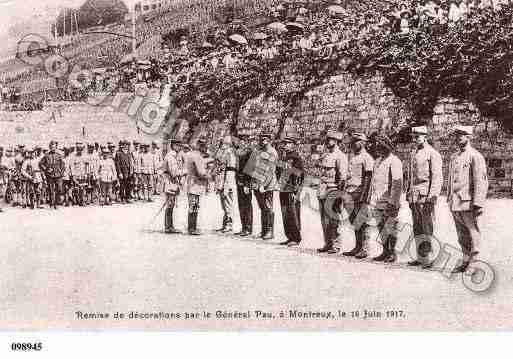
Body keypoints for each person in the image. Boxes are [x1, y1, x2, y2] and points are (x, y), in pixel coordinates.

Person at [447, 125, 488, 273]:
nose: (458, 138)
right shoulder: (454, 157)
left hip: (468, 202)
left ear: (468, 137)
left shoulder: (475, 156)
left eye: (461, 135)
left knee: (473, 231)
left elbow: (481, 181)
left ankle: (474, 262)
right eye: (456, 135)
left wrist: (478, 203)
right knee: (461, 233)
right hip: (456, 202)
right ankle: (465, 259)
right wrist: (449, 198)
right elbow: (451, 179)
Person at [406, 126, 443, 269]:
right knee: (417, 227)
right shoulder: (414, 153)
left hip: (425, 196)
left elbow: (437, 178)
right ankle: (421, 257)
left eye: (418, 136)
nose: (416, 139)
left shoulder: (433, 154)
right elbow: (410, 177)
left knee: (427, 227)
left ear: (425, 136)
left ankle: (430, 257)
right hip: (414, 196)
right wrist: (408, 194)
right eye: (414, 137)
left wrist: (432, 197)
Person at [365, 135, 403, 263]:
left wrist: (393, 202)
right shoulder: (377, 161)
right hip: (377, 200)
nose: (378, 148)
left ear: (387, 147)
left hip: (389, 201)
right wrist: (370, 197)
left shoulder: (394, 161)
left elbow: (397, 184)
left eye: (381, 146)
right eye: (378, 146)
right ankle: (385, 250)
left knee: (391, 227)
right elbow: (373, 182)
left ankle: (392, 252)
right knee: (381, 227)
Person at [342, 133, 374, 259]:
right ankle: (357, 246)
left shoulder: (367, 158)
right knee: (354, 221)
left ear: (362, 142)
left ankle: (365, 248)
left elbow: (368, 178)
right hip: (350, 192)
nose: (352, 144)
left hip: (360, 193)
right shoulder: (353, 157)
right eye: (352, 142)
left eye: (355, 142)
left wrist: (364, 195)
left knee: (363, 222)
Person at [317, 131, 348, 254]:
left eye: (330, 139)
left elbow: (343, 178)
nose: (327, 141)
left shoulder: (341, 156)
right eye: (327, 139)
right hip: (323, 189)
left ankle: (336, 245)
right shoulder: (325, 155)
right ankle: (328, 243)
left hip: (333, 190)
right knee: (324, 219)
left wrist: (340, 195)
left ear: (336, 141)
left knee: (333, 219)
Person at [277, 136, 304, 247]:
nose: (285, 145)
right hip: (283, 188)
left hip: (291, 189)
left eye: (288, 143)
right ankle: (289, 236)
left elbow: (299, 175)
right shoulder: (283, 157)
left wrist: (296, 191)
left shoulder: (296, 158)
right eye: (284, 143)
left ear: (293, 145)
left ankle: (296, 238)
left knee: (293, 213)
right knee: (285, 213)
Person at [252, 132, 279, 240]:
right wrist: (254, 182)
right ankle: (263, 231)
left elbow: (271, 171)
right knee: (262, 207)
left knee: (268, 207)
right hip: (258, 182)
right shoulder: (259, 151)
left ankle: (270, 231)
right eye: (262, 138)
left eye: (266, 138)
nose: (263, 140)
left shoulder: (272, 152)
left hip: (267, 184)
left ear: (270, 140)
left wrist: (264, 185)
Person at [185, 137, 213, 235]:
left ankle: (192, 227)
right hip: (194, 185)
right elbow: (201, 173)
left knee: (194, 206)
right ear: (201, 146)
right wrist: (210, 175)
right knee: (193, 206)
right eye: (204, 146)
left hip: (192, 184)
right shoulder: (197, 157)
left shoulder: (192, 155)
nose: (206, 149)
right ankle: (192, 228)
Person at [160, 138, 187, 234]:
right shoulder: (171, 156)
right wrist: (185, 172)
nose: (180, 147)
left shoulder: (174, 155)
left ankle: (169, 226)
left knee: (171, 204)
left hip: (172, 182)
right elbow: (174, 173)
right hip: (169, 183)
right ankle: (168, 227)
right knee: (170, 204)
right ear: (174, 146)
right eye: (178, 145)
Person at [215, 135, 238, 234]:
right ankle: (225, 223)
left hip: (228, 180)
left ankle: (229, 224)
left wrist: (226, 186)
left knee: (228, 202)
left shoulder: (230, 153)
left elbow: (230, 169)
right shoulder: (224, 152)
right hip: (222, 180)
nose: (222, 145)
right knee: (224, 203)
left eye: (224, 143)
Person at [235, 135, 254, 237]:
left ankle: (248, 228)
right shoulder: (238, 152)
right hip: (239, 181)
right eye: (240, 141)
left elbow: (250, 169)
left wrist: (247, 184)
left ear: (247, 142)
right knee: (241, 204)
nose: (241, 143)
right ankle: (244, 227)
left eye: (243, 141)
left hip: (246, 181)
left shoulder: (249, 153)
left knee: (247, 204)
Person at [39, 141, 65, 209]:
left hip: (58, 175)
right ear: (49, 147)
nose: (53, 148)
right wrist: (46, 169)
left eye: (54, 147)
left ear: (56, 147)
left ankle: (56, 202)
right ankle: (52, 203)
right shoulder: (46, 155)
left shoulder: (59, 155)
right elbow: (41, 164)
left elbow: (62, 165)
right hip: (50, 175)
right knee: (51, 190)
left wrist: (61, 173)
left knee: (58, 189)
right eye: (51, 147)